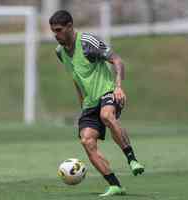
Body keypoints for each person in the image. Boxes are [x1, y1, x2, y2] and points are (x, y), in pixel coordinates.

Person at [49, 10, 144, 196]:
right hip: (90, 102)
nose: (56, 35)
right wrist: (82, 103)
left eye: (59, 30)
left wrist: (118, 87)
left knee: (106, 115)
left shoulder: (86, 43)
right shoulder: (60, 52)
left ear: (69, 26)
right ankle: (115, 185)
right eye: (53, 31)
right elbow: (76, 77)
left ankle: (132, 159)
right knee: (87, 141)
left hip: (108, 92)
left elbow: (117, 60)